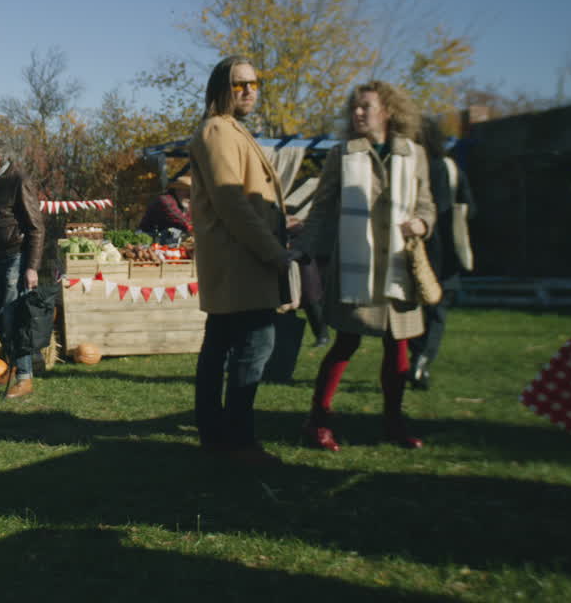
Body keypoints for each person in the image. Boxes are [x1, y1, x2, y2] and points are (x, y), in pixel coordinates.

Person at [296, 81, 436, 451]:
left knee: (399, 348)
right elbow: (322, 208)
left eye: (366, 106)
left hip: (399, 269)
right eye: (354, 108)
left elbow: (426, 204)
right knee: (345, 343)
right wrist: (303, 252)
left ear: (387, 111)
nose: (357, 113)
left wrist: (422, 223)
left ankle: (394, 423)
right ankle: (318, 421)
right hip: (355, 270)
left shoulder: (414, 153)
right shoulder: (341, 154)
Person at [188, 55, 291, 466]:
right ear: (220, 89)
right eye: (238, 84)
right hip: (240, 261)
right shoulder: (217, 131)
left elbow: (244, 199)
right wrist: (272, 250)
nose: (249, 91)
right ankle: (237, 440)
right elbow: (231, 202)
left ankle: (218, 436)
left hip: (240, 260)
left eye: (253, 84)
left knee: (222, 348)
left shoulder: (231, 130)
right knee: (253, 347)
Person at [0, 138, 45, 398]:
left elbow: (36, 227)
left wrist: (32, 267)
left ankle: (25, 377)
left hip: (17, 256)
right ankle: (14, 365)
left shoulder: (18, 180)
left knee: (14, 317)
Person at [409, 118, 476, 390]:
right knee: (438, 311)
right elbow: (470, 207)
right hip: (446, 248)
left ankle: (415, 356)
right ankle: (423, 360)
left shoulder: (408, 168)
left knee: (413, 308)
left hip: (416, 245)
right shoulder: (450, 168)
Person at [138, 175, 193, 245]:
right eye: (187, 191)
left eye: (192, 191)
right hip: (147, 238)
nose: (190, 195)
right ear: (178, 190)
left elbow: (191, 219)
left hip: (164, 238)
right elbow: (180, 220)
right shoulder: (165, 200)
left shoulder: (185, 203)